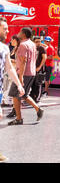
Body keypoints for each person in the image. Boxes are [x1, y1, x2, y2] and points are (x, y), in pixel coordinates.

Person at [0, 17, 25, 162]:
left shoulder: (4, 48)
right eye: (4, 28)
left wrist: (19, 84)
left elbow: (9, 68)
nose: (8, 31)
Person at [7, 27, 44, 126]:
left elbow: (23, 61)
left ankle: (19, 119)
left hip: (23, 73)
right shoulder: (32, 44)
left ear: (23, 34)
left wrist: (20, 77)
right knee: (23, 95)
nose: (18, 33)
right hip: (31, 72)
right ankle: (38, 109)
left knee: (15, 95)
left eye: (20, 32)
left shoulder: (23, 45)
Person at [2, 35, 19, 107]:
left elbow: (19, 61)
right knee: (7, 84)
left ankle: (9, 101)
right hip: (11, 69)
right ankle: (7, 100)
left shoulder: (19, 49)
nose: (11, 41)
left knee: (10, 85)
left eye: (12, 40)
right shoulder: (14, 48)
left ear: (15, 40)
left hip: (14, 69)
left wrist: (10, 60)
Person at [31, 36, 47, 103]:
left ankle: (37, 98)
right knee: (31, 84)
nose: (38, 43)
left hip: (38, 69)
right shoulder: (32, 48)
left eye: (39, 41)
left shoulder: (41, 48)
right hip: (31, 68)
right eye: (37, 42)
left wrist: (39, 67)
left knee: (38, 84)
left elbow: (44, 58)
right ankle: (32, 97)